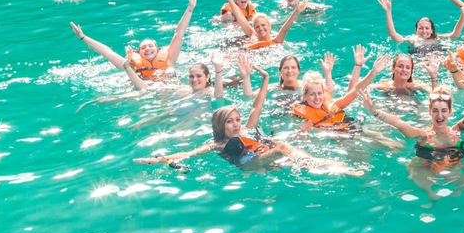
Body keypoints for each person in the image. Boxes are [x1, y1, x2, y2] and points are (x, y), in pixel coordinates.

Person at [134, 65, 359, 175]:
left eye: (237, 120)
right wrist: (161, 159)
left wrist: (266, 78)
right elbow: (188, 154)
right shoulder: (217, 144)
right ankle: (331, 167)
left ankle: (334, 167)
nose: (236, 124)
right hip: (250, 165)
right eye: (230, 122)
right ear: (220, 126)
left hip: (263, 158)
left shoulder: (248, 130)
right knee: (284, 148)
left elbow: (257, 105)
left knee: (293, 155)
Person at [359, 65, 464, 197]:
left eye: (444, 111)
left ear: (450, 112)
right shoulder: (422, 136)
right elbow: (398, 123)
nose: (439, 116)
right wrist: (375, 112)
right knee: (415, 169)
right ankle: (430, 195)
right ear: (429, 112)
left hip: (452, 164)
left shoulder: (457, 131)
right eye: (435, 111)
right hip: (426, 164)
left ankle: (455, 197)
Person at [70, 0, 196, 81]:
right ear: (139, 53)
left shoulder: (169, 59)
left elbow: (179, 33)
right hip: (144, 91)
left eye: (150, 46)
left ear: (158, 50)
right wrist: (83, 37)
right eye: (143, 48)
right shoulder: (130, 65)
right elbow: (107, 52)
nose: (147, 49)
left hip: (168, 88)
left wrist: (189, 9)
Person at [291, 55, 389, 131]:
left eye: (319, 93)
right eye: (312, 94)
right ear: (305, 96)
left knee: (395, 145)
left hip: (355, 127)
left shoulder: (333, 104)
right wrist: (303, 130)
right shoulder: (304, 118)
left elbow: (355, 91)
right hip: (343, 140)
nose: (317, 98)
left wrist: (374, 72)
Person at [220, 0, 306, 49]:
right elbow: (240, 17)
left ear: (269, 26)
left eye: (263, 25)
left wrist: (296, 11)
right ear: (254, 28)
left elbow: (285, 28)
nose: (261, 29)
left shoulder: (276, 40)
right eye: (257, 26)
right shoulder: (252, 35)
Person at [377, 0, 464, 54]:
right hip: (419, 66)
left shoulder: (437, 37)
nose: (424, 31)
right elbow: (394, 35)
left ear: (432, 30)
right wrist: (388, 12)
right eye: (421, 28)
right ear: (416, 30)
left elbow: (454, 35)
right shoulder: (412, 40)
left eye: (427, 28)